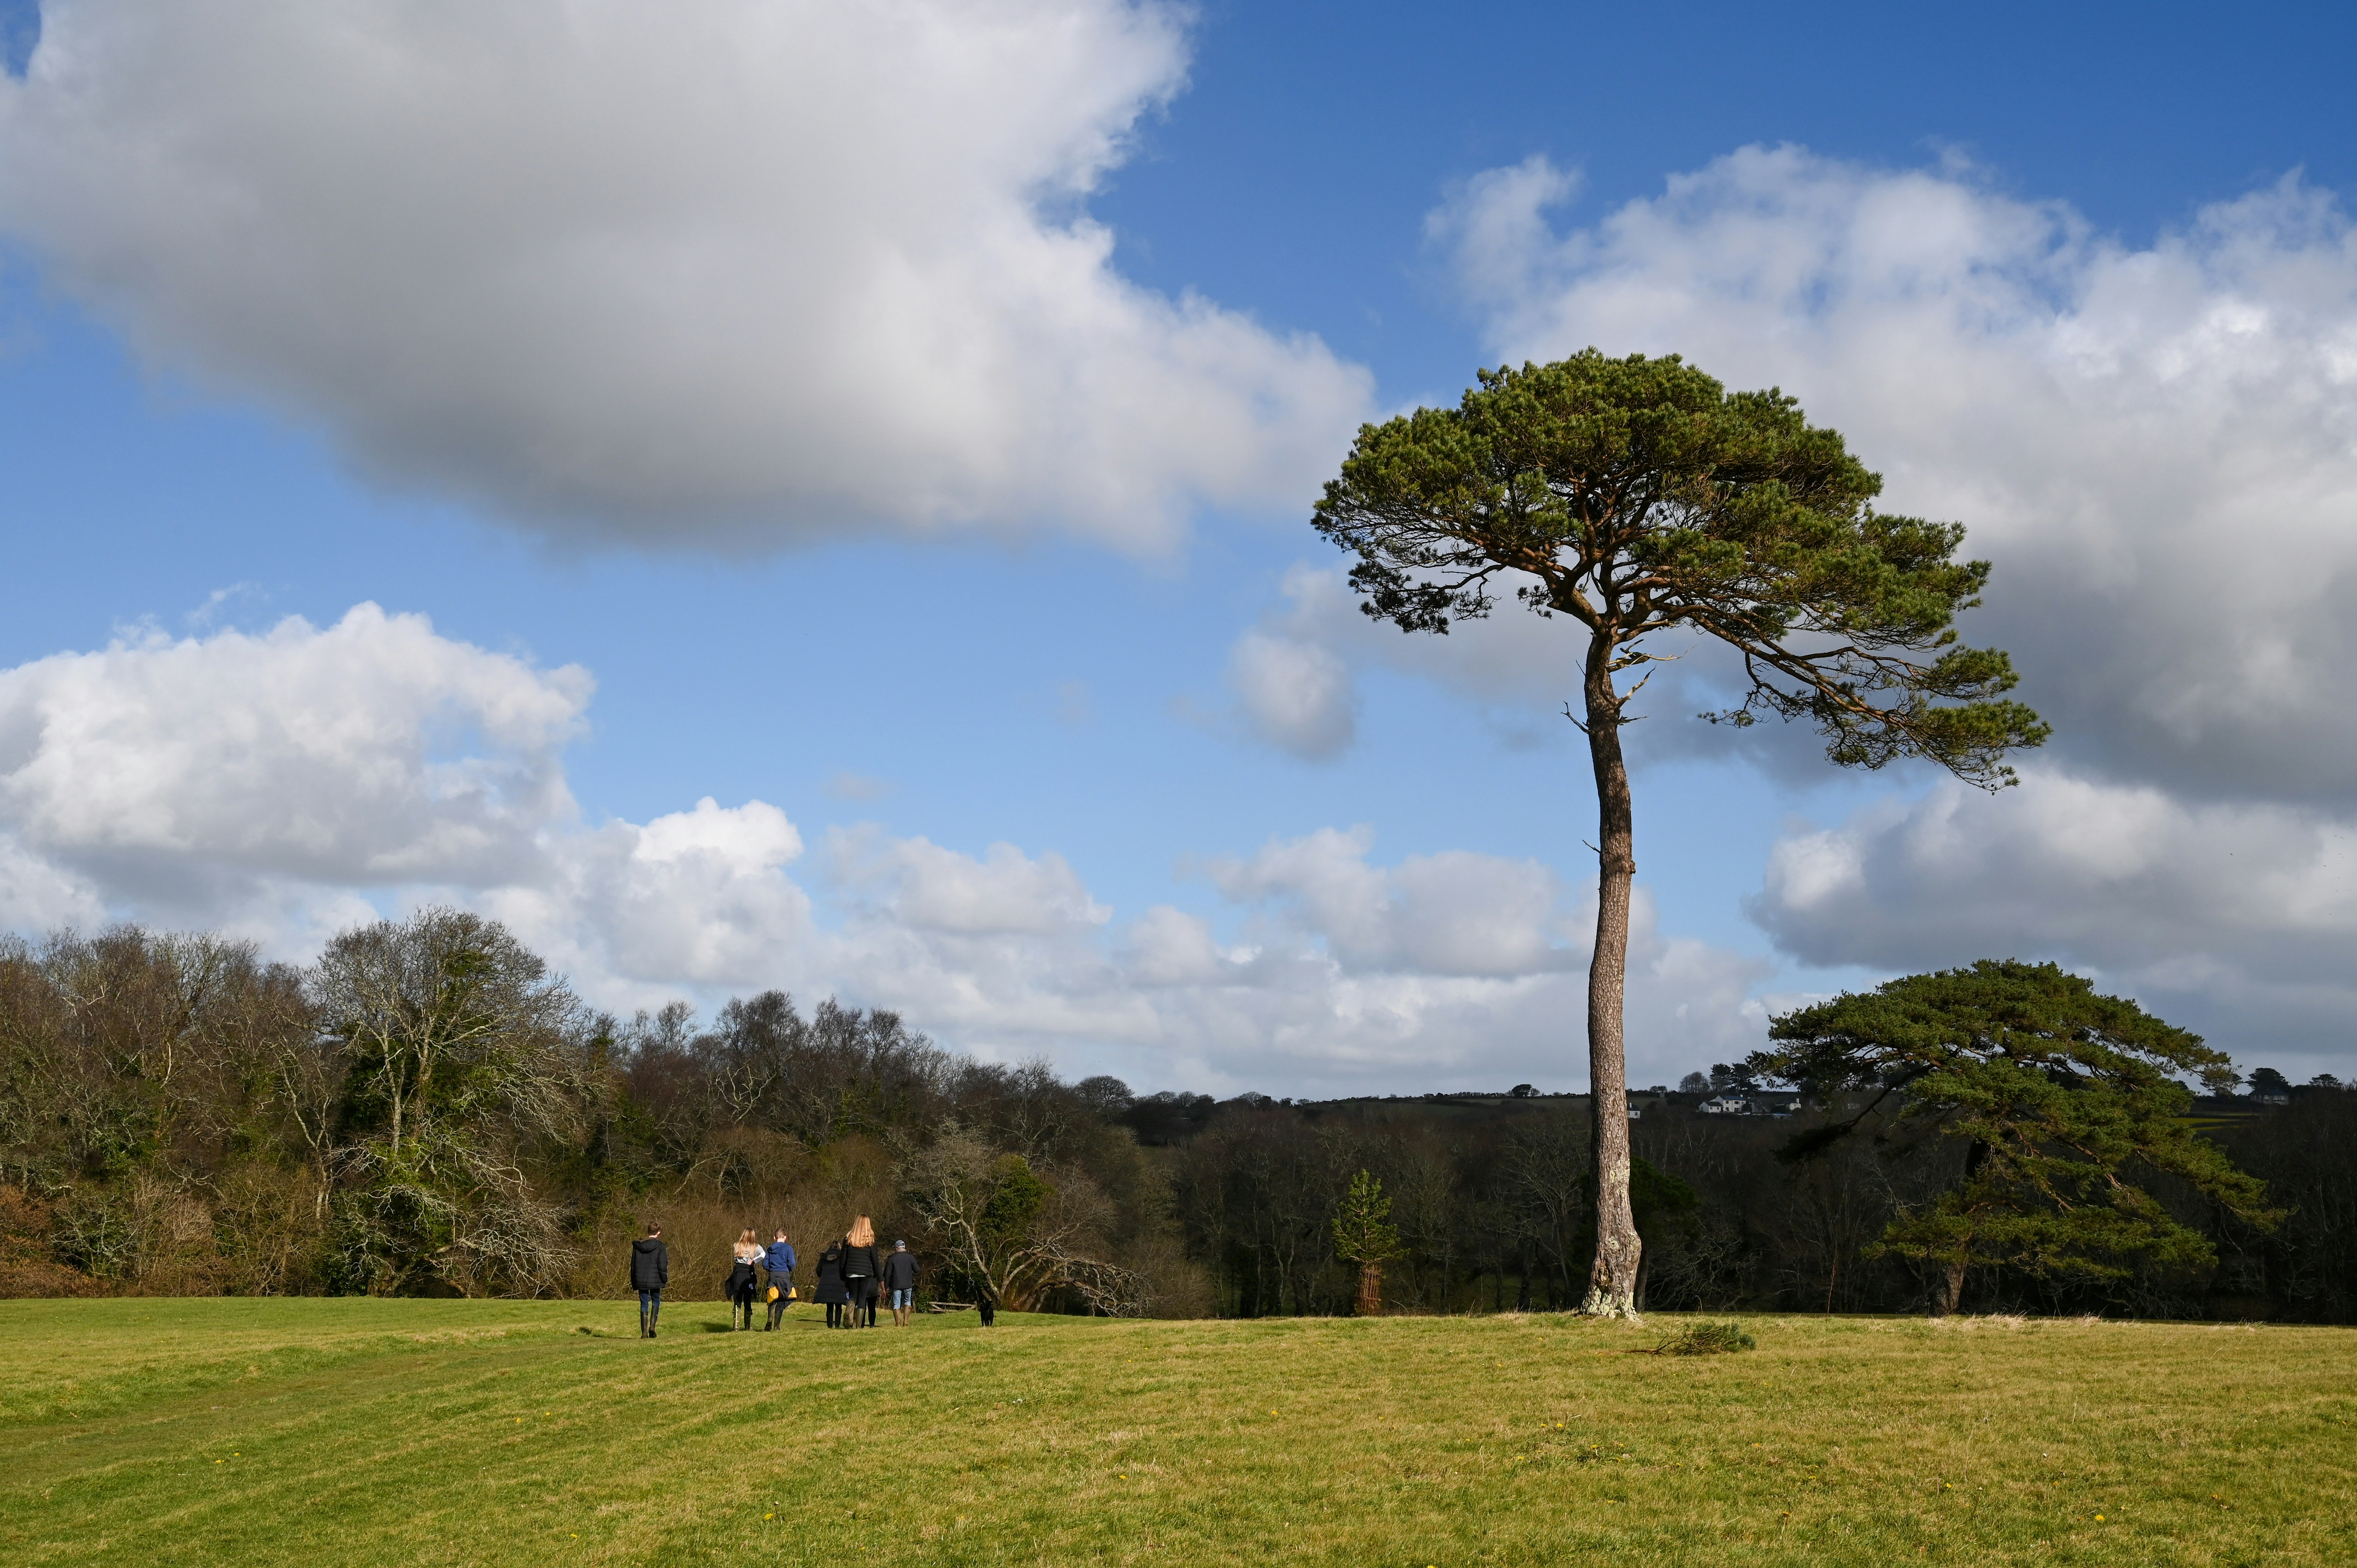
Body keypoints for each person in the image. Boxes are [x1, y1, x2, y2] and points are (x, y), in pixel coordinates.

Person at [841, 1216, 880, 1328]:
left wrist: (842, 1275)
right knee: (862, 1297)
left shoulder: (848, 1239)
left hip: (851, 1272)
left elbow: (843, 1259)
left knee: (853, 1296)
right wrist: (876, 1274)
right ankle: (858, 1326)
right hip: (865, 1272)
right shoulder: (870, 1240)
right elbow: (875, 1260)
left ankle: (850, 1308)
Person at [631, 1224, 668, 1338]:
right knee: (656, 1301)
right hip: (656, 1280)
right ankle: (652, 1327)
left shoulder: (638, 1245)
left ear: (648, 1231)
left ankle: (644, 1334)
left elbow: (633, 1265)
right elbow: (663, 1266)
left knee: (644, 1304)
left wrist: (634, 1281)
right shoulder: (660, 1246)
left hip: (641, 1279)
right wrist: (664, 1279)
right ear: (659, 1233)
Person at [762, 1229, 797, 1331]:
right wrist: (788, 1270)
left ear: (775, 1238)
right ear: (785, 1237)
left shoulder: (770, 1249)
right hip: (784, 1275)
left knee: (772, 1299)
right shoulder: (788, 1248)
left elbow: (765, 1264)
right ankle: (777, 1327)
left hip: (773, 1275)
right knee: (782, 1299)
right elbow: (791, 1263)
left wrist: (772, 1269)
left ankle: (770, 1318)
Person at [728, 1228, 763, 1331]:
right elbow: (763, 1255)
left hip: (738, 1273)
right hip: (748, 1274)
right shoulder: (756, 1247)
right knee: (748, 1299)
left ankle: (736, 1326)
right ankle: (748, 1326)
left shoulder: (736, 1245)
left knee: (738, 1298)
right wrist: (754, 1261)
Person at [881, 1239, 919, 1327]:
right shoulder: (911, 1258)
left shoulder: (892, 1259)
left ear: (897, 1248)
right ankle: (906, 1322)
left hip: (896, 1285)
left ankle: (898, 1323)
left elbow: (887, 1274)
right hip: (908, 1284)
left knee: (897, 1303)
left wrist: (886, 1287)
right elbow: (917, 1270)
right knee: (908, 1301)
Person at [814, 1239, 850, 1329]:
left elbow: (818, 1270)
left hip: (827, 1282)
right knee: (839, 1306)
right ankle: (837, 1326)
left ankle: (830, 1326)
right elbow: (844, 1269)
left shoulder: (824, 1257)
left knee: (829, 1306)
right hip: (839, 1283)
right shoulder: (842, 1257)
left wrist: (824, 1277)